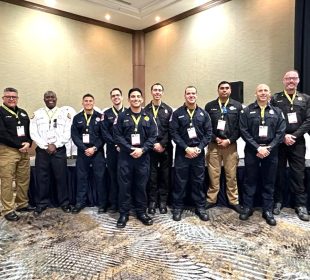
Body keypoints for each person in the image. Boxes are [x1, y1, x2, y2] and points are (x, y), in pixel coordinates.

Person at [239, 84, 285, 226]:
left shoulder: (277, 111)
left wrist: (268, 148)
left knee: (269, 181)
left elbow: (281, 132)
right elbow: (243, 130)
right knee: (249, 180)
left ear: (269, 94)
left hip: (271, 152)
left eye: (265, 90)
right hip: (252, 151)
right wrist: (258, 147)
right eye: (260, 91)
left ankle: (267, 210)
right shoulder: (247, 111)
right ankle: (247, 207)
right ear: (255, 94)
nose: (263, 93)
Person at [113, 88, 157, 228]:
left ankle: (141, 212)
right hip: (126, 157)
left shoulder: (148, 116)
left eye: (138, 96)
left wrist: (142, 149)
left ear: (142, 99)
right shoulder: (121, 116)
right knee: (124, 186)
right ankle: (124, 214)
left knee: (141, 186)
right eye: (133, 96)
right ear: (129, 99)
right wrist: (131, 149)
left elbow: (153, 136)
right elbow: (117, 136)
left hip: (143, 158)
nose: (136, 99)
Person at [271, 70, 310, 221]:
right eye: (288, 79)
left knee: (298, 174)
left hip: (297, 142)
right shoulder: (275, 99)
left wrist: (294, 136)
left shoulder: (305, 99)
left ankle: (300, 205)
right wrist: (284, 136)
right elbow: (272, 120)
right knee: (278, 173)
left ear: (298, 80)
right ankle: (278, 202)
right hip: (280, 142)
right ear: (283, 81)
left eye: (294, 78)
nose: (291, 81)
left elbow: (308, 121)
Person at [169, 86, 212, 221]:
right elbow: (173, 133)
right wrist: (186, 148)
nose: (191, 96)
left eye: (193, 93)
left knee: (198, 182)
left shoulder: (203, 114)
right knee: (180, 182)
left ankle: (200, 207)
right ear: (185, 95)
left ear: (196, 96)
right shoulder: (177, 114)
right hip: (183, 154)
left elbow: (208, 133)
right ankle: (177, 208)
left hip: (198, 154)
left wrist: (198, 148)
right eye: (188, 93)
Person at [30, 91, 72, 216]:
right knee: (42, 178)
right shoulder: (37, 114)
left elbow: (67, 132)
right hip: (42, 151)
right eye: (47, 97)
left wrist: (56, 145)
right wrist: (45, 146)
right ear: (44, 99)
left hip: (58, 150)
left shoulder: (64, 114)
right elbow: (33, 132)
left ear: (56, 98)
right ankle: (41, 203)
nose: (50, 99)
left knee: (61, 177)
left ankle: (64, 203)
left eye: (52, 97)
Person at [205, 81, 243, 213]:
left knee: (231, 175)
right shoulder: (210, 106)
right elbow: (206, 127)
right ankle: (211, 199)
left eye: (227, 88)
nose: (224, 90)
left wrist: (229, 140)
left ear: (230, 90)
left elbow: (240, 127)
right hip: (213, 145)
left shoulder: (237, 106)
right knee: (213, 175)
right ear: (218, 90)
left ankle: (233, 201)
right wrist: (215, 138)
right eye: (222, 88)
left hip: (230, 146)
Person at [71, 94, 109, 214]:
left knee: (100, 178)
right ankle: (80, 202)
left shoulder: (100, 117)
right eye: (86, 101)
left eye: (90, 101)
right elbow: (75, 136)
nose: (88, 103)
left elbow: (103, 136)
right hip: (83, 153)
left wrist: (95, 148)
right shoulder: (77, 117)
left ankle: (102, 204)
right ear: (82, 103)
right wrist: (84, 148)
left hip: (97, 153)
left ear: (93, 102)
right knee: (81, 178)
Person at [0, 87, 32, 221]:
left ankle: (22, 204)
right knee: (7, 181)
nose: (11, 99)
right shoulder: (0, 112)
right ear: (3, 98)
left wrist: (29, 143)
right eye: (8, 97)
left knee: (23, 179)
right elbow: (2, 133)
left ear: (17, 98)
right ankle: (7, 209)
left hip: (24, 150)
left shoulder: (23, 113)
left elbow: (30, 131)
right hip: (8, 151)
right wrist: (19, 145)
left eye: (14, 97)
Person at [144, 83, 173, 214]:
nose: (157, 92)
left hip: (165, 148)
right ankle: (152, 202)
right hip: (151, 149)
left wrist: (162, 144)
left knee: (165, 176)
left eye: (159, 90)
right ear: (151, 92)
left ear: (162, 93)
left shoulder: (168, 110)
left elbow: (171, 130)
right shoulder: (145, 110)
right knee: (152, 176)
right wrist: (153, 144)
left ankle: (163, 202)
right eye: (155, 90)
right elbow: (144, 131)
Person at [103, 88, 125, 212]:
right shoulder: (106, 114)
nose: (116, 97)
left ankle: (126, 204)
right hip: (112, 151)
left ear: (122, 97)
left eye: (118, 95)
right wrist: (116, 144)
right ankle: (114, 204)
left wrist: (123, 145)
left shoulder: (128, 112)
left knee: (125, 178)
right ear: (111, 98)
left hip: (125, 151)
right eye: (113, 96)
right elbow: (104, 133)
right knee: (113, 178)